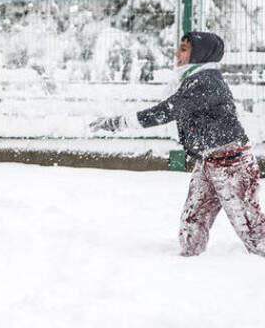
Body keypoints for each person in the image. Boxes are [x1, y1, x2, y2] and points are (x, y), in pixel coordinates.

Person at [90, 31, 265, 257]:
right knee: (192, 223)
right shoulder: (192, 79)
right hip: (208, 161)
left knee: (252, 230)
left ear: (200, 54)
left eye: (184, 49)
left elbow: (166, 111)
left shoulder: (207, 82)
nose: (177, 53)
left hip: (232, 164)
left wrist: (118, 122)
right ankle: (185, 266)